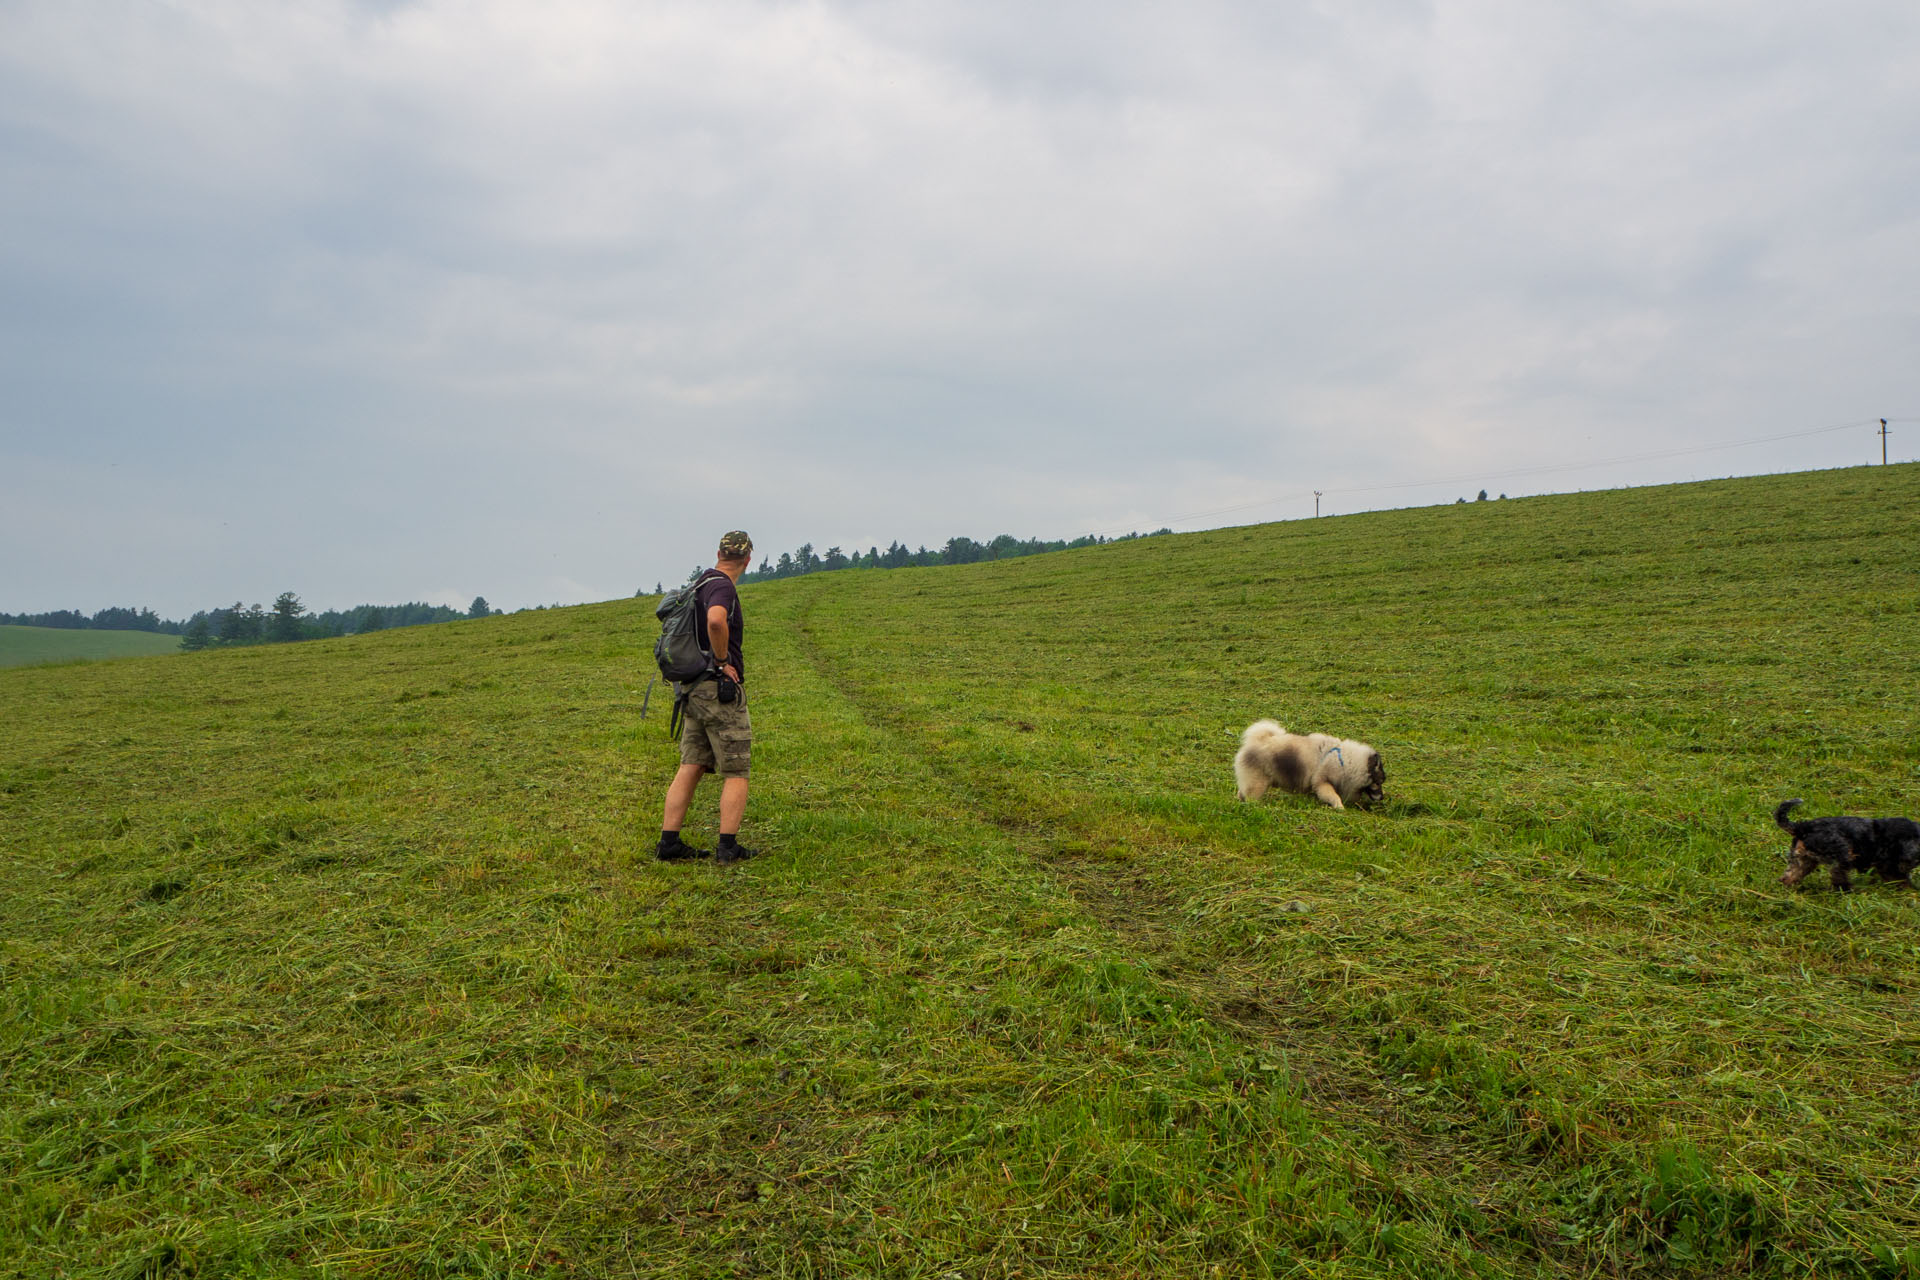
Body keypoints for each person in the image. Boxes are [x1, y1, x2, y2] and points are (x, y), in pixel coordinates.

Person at [657, 531, 758, 865]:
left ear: (718, 552)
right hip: (717, 691)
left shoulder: (700, 582)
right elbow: (716, 620)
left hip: (692, 690)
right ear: (747, 558)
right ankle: (728, 848)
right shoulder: (722, 587)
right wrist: (723, 662)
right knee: (736, 769)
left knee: (692, 764)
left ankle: (668, 843)